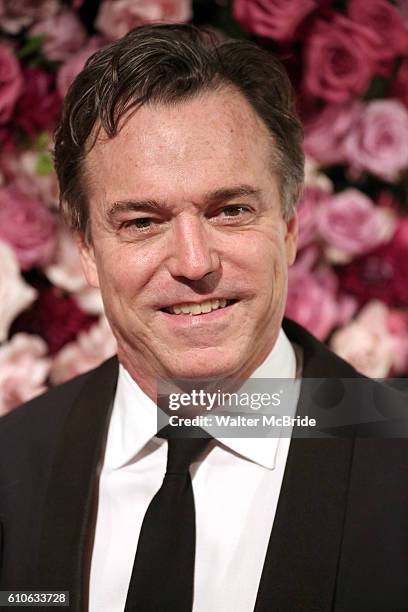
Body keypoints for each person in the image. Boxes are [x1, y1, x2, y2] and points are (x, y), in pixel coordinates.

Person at [0, 23, 407, 612]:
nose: (194, 263)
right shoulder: (12, 465)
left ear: (289, 226)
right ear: (86, 248)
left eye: (230, 211)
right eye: (142, 222)